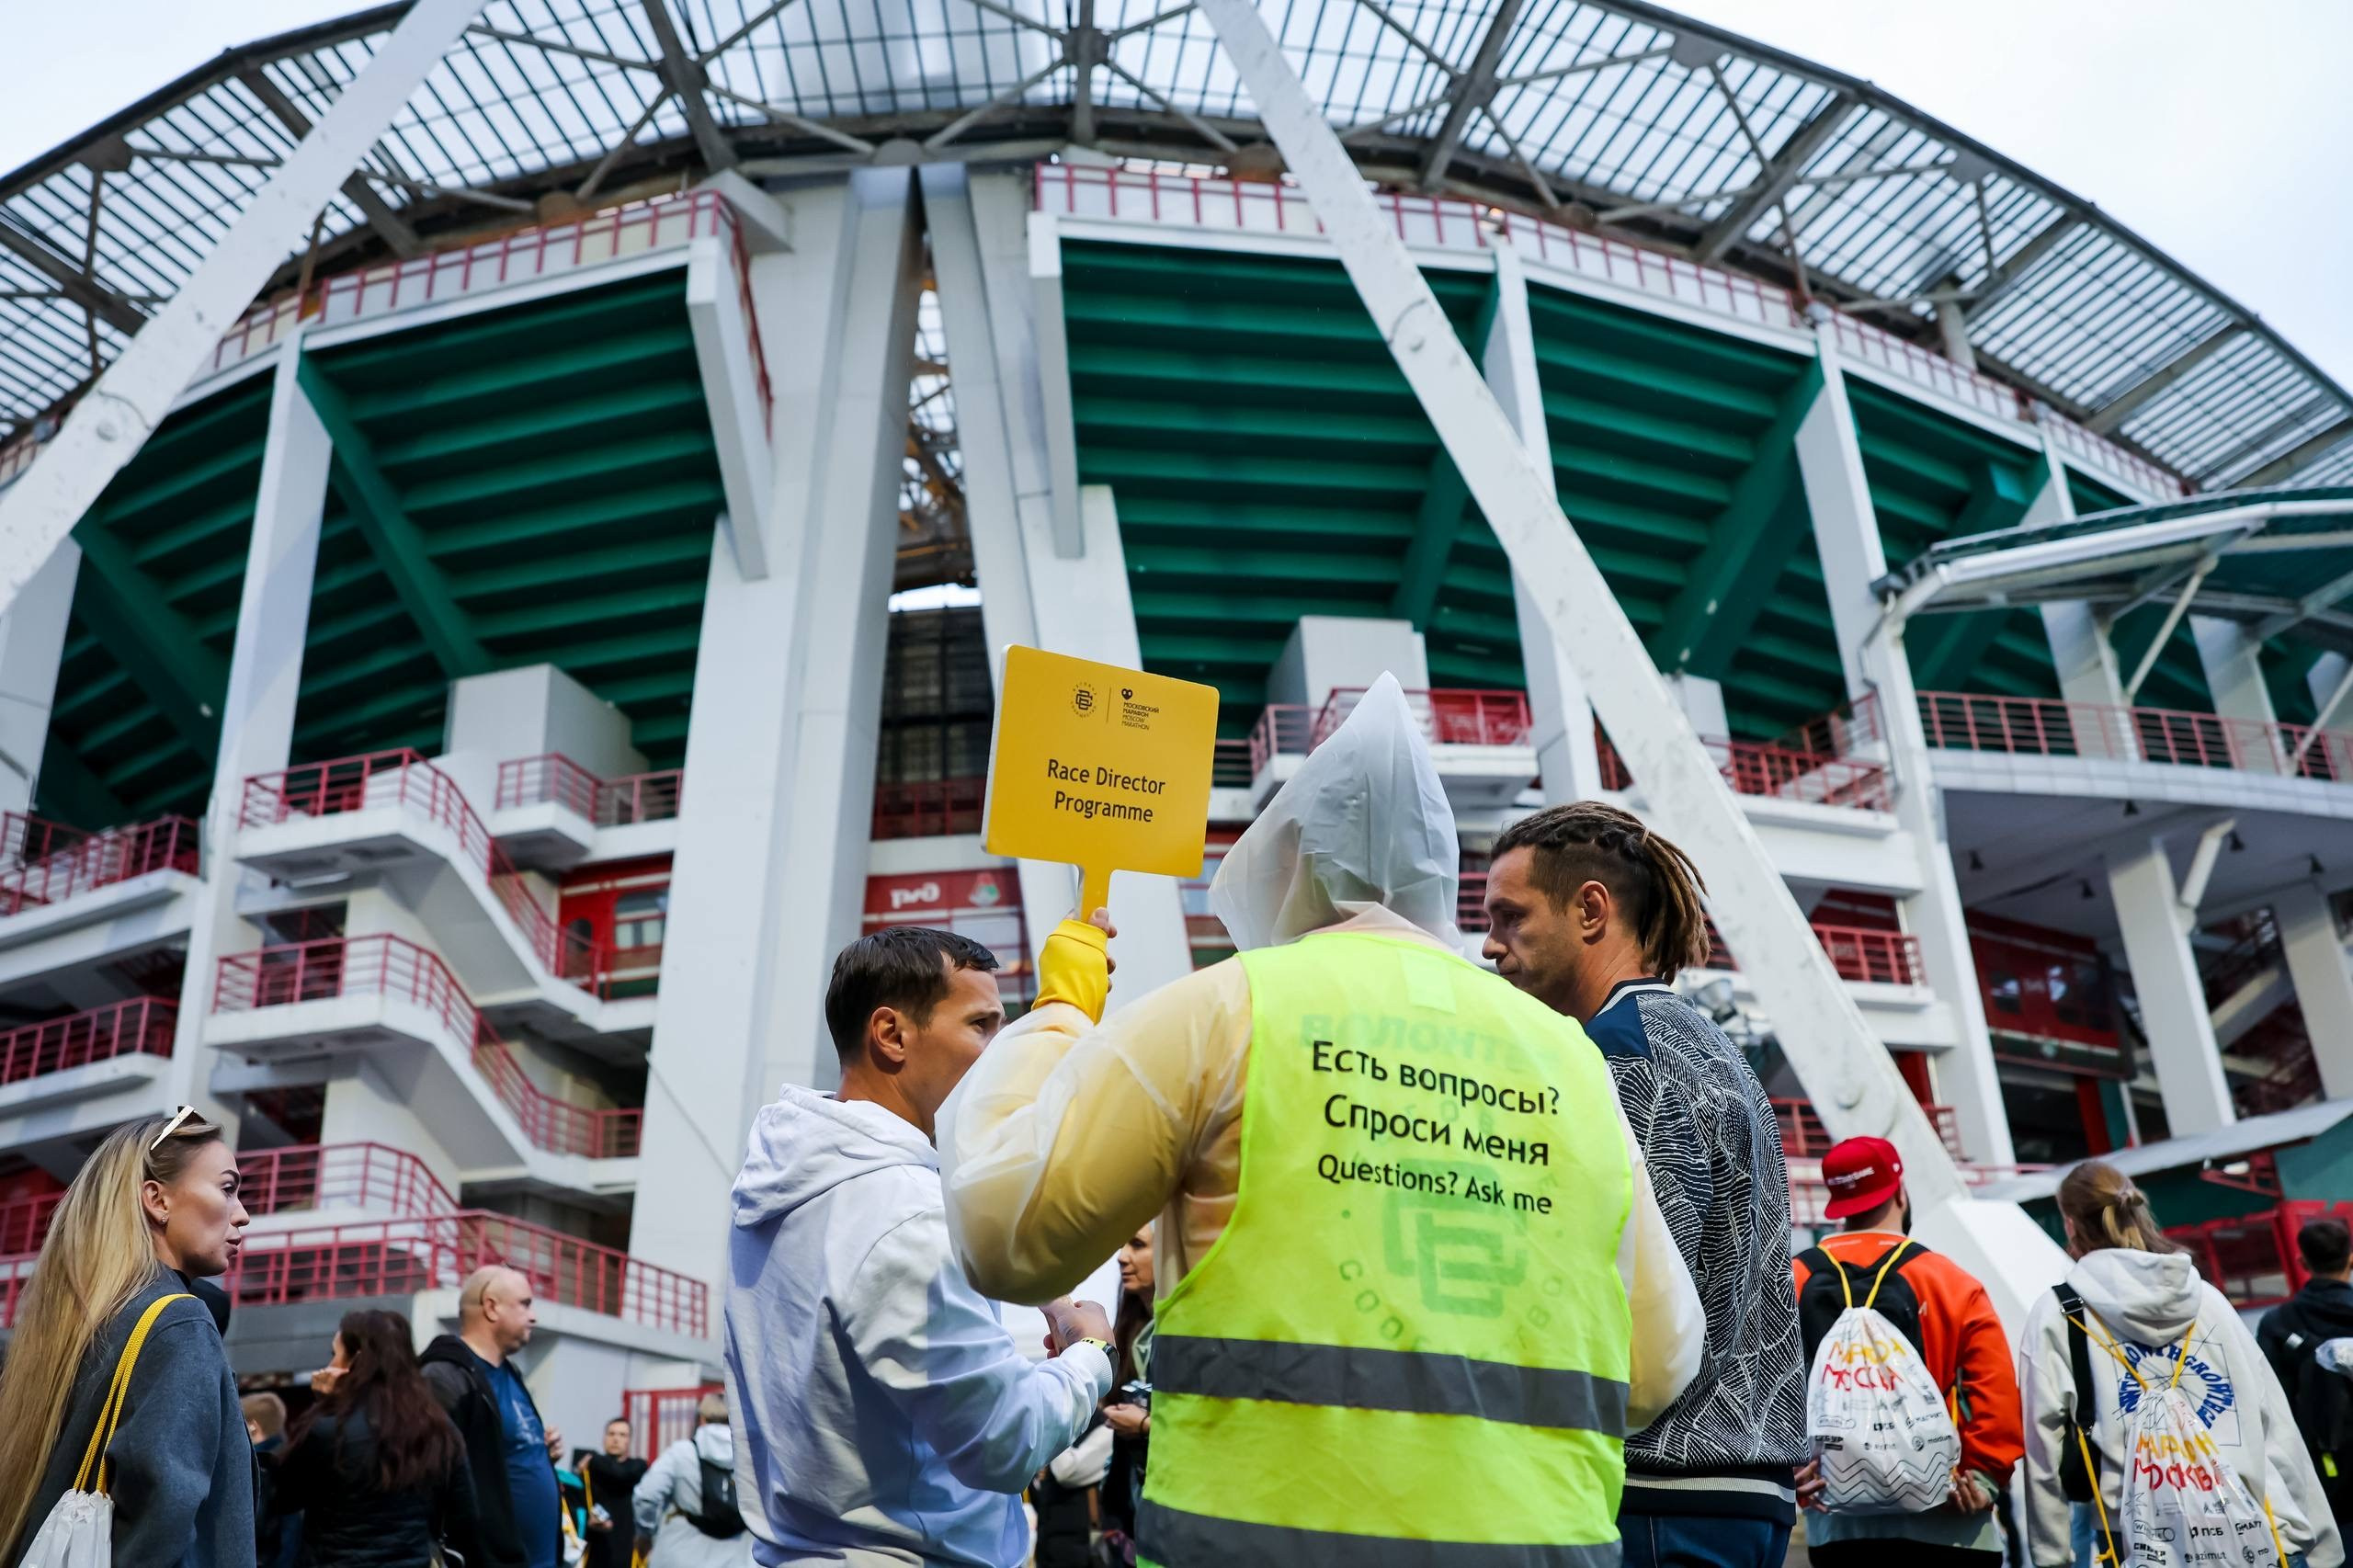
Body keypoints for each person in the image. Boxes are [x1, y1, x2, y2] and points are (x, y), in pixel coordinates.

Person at [940, 676, 1704, 1564]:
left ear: (1290, 861)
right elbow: (1655, 1370)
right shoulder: (1570, 1058)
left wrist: (1061, 1019)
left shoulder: (1223, 1012)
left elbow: (1003, 1234)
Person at [724, 925, 1117, 1568]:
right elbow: (1003, 1441)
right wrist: (1091, 1353)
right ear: (892, 1034)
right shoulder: (904, 1209)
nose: (998, 1053)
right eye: (982, 1027)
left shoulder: (788, 1177)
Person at [1482, 799, 1809, 1566]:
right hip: (1732, 1485)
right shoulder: (1708, 1047)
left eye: (1510, 916)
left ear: (1589, 910)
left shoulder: (1617, 1058)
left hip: (1660, 1491)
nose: (1491, 944)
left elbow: (1629, 1301)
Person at [2018, 1161, 2343, 1568]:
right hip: (2262, 1535)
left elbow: (2041, 1452)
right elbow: (2274, 1424)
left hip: (2144, 1547)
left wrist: (2054, 1558)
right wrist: (2323, 1545)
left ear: (2070, 1224)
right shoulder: (2208, 1301)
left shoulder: (2059, 1315)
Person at [0, 1106, 255, 1566]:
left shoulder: (81, 1320)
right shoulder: (180, 1324)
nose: (243, 1215)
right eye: (228, 1189)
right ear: (157, 1201)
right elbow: (165, 1529)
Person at [1790, 1137, 2023, 1567]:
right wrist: (1984, 1479)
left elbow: (1764, 1385)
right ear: (1899, 1191)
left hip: (1838, 1523)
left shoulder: (1794, 1279)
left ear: (1837, 1203)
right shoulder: (1951, 1281)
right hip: (1949, 1520)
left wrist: (1789, 1472)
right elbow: (1996, 1394)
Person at [270, 1309, 483, 1567]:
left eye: (335, 1354)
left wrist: (328, 1405)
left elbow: (283, 1497)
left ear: (355, 1361)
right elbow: (466, 1518)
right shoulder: (439, 1428)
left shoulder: (329, 1430)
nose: (328, 1366)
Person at [421, 1265, 566, 1568]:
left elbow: (497, 1455)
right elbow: (427, 1480)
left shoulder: (510, 1373)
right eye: (525, 1304)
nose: (534, 1316)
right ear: (491, 1307)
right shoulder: (444, 1378)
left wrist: (540, 1455)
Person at [2259, 1215, 2353, 1530]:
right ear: (2351, 1259)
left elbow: (2272, 1401)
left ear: (2302, 1261)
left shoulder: (2278, 1323)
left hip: (2324, 1474)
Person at [631, 1391, 752, 1566]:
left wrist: (645, 1532)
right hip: (737, 1556)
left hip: (679, 1553)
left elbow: (647, 1496)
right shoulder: (750, 1459)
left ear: (701, 1418)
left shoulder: (683, 1451)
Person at [1099, 1226, 1155, 1540]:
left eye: (1137, 1245)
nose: (1122, 1257)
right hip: (1132, 1517)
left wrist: (1145, 1424)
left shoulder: (1188, 1336)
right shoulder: (1128, 1334)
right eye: (1121, 1245)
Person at [573, 1416, 649, 1568]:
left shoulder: (637, 1467)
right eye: (611, 1434)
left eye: (622, 1435)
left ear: (629, 1440)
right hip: (594, 1551)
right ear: (604, 1437)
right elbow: (574, 1505)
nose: (616, 1439)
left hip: (625, 1550)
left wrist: (592, 1458)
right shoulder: (587, 1471)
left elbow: (620, 1475)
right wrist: (589, 1521)